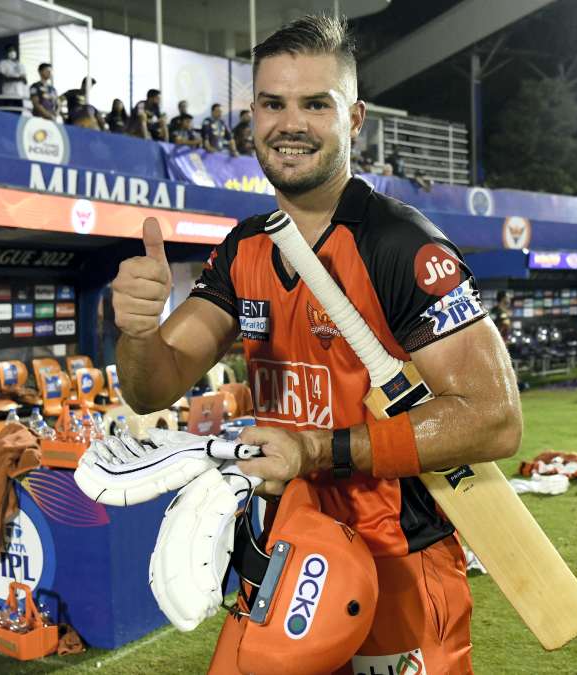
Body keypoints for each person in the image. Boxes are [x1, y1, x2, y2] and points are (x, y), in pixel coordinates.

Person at [110, 15, 519, 673]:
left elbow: (493, 417)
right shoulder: (245, 247)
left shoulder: (401, 245)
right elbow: (151, 385)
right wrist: (136, 331)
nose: (290, 123)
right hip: (285, 551)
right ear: (252, 117)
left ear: (354, 119)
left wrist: (317, 450)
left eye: (315, 104)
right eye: (273, 103)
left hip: (396, 564)